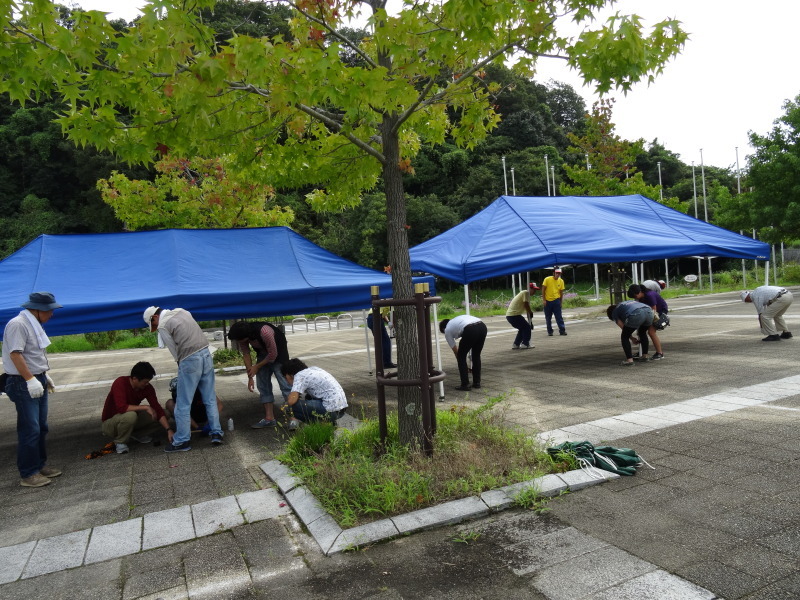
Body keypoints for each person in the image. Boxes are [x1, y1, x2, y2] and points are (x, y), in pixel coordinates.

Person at [2, 292, 63, 487]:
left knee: (41, 427)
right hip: (22, 382)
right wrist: (30, 379)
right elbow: (15, 354)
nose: (52, 314)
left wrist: (43, 375)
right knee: (30, 428)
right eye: (50, 310)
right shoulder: (18, 324)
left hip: (37, 377)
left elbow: (33, 354)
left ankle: (38, 464)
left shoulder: (34, 324)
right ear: (38, 309)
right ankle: (28, 473)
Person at [143, 306, 223, 452]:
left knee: (182, 403)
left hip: (189, 358)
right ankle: (216, 433)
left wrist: (182, 368)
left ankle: (182, 440)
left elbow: (175, 351)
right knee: (210, 398)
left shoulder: (163, 325)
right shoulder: (182, 311)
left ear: (154, 318)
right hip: (206, 353)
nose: (155, 327)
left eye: (153, 324)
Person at [227, 320, 292, 429]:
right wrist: (250, 376)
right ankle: (269, 419)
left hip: (279, 353)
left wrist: (257, 366)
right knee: (262, 385)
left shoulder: (265, 332)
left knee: (285, 385)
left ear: (245, 336)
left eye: (239, 339)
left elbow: (273, 355)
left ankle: (294, 418)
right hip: (263, 354)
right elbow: (246, 354)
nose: (239, 342)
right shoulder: (243, 337)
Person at [101, 362, 172, 454]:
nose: (147, 384)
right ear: (134, 379)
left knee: (164, 414)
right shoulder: (120, 382)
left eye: (148, 382)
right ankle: (120, 442)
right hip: (110, 424)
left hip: (129, 419)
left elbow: (157, 408)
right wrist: (145, 407)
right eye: (145, 382)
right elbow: (121, 408)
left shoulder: (147, 388)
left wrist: (169, 430)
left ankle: (135, 434)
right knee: (131, 415)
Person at [281, 358, 348, 430]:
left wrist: (293, 392)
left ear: (289, 375)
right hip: (341, 409)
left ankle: (322, 425)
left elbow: (291, 401)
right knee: (308, 397)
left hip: (331, 411)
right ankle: (329, 423)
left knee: (286, 406)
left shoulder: (299, 376)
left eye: (286, 377)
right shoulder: (314, 369)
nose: (286, 381)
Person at [439, 315, 487, 391]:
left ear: (443, 329)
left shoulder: (447, 330)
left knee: (461, 356)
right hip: (482, 326)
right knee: (476, 355)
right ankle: (477, 383)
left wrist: (463, 366)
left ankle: (465, 384)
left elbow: (456, 351)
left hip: (470, 329)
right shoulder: (456, 321)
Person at [627, 284, 667, 360]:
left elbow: (654, 311)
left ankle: (660, 353)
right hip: (648, 313)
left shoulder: (649, 295)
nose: (635, 299)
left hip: (658, 313)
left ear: (639, 292)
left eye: (635, 296)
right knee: (641, 331)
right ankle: (642, 351)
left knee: (651, 332)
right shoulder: (642, 297)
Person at [607, 301, 652, 366]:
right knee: (642, 333)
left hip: (637, 313)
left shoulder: (614, 312)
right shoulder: (623, 304)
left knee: (624, 336)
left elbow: (622, 326)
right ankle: (645, 356)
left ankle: (629, 360)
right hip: (649, 311)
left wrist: (631, 338)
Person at [506, 283, 538, 349]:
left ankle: (516, 344)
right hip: (514, 315)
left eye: (535, 290)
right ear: (529, 288)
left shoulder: (526, 295)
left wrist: (530, 321)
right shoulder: (525, 293)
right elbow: (526, 305)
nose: (535, 291)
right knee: (527, 328)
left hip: (511, 315)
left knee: (522, 328)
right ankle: (525, 344)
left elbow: (526, 308)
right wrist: (530, 312)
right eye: (533, 289)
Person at [541, 268, 566, 336]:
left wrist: (560, 302)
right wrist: (544, 300)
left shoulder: (561, 281)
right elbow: (543, 290)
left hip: (556, 301)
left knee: (559, 317)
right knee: (548, 318)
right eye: (556, 273)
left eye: (559, 273)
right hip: (547, 301)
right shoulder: (547, 279)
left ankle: (562, 330)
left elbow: (561, 292)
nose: (558, 274)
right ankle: (550, 331)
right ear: (553, 273)